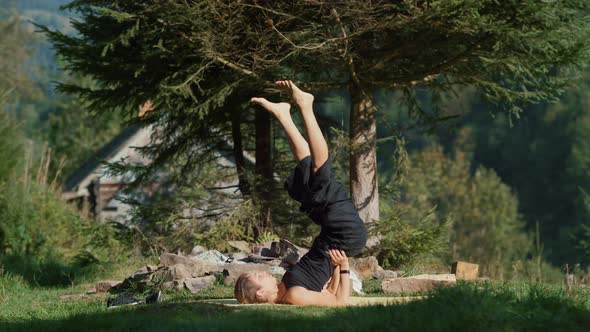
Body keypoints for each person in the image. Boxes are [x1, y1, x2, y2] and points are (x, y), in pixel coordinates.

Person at [234, 80, 367, 306]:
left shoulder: (287, 288)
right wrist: (343, 267)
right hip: (345, 234)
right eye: (257, 277)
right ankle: (305, 105)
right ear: (259, 293)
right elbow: (338, 302)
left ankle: (284, 115)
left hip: (330, 234)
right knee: (321, 172)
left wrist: (334, 269)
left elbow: (327, 292)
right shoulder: (293, 296)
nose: (261, 272)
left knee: (307, 175)